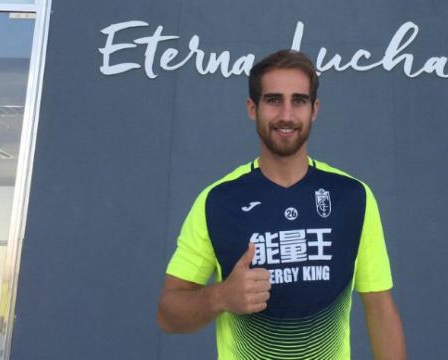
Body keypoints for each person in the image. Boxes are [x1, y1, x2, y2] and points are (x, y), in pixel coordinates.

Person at [157, 49, 406, 360]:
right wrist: (219, 297)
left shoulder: (352, 196)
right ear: (253, 108)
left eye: (299, 101)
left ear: (314, 109)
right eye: (273, 100)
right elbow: (167, 314)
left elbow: (380, 307)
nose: (286, 115)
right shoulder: (218, 201)